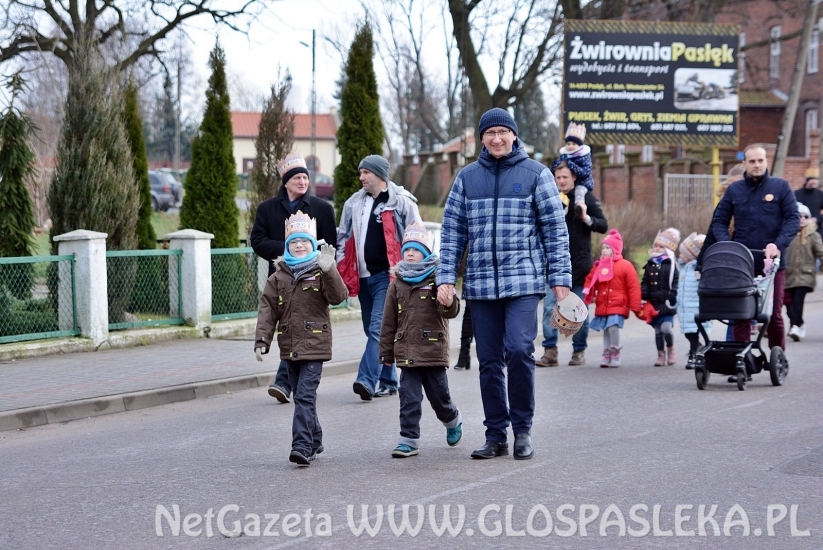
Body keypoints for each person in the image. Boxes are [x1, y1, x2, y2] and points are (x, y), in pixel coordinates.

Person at [436, 107, 572, 461]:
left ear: (514, 135)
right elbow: (452, 232)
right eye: (489, 133)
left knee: (519, 350)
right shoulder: (467, 178)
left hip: (523, 282)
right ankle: (496, 434)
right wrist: (446, 278)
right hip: (481, 285)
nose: (496, 138)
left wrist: (560, 280)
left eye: (502, 132)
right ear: (481, 139)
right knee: (489, 360)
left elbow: (555, 232)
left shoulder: (536, 175)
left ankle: (522, 430)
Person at [253, 212, 348, 466]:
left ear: (312, 242)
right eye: (294, 242)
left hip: (315, 346)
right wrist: (262, 340)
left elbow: (339, 296)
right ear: (286, 246)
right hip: (290, 347)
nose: (299, 245)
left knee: (305, 396)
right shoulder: (278, 277)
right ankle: (315, 438)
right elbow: (267, 310)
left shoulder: (320, 270)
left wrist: (330, 270)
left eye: (304, 241)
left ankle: (302, 446)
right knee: (300, 396)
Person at [250, 153, 338, 404]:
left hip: (313, 282)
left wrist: (320, 263)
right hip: (281, 279)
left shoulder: (322, 209)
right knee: (286, 325)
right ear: (286, 182)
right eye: (297, 178)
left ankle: (284, 381)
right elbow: (257, 241)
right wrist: (289, 249)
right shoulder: (267, 209)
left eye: (305, 177)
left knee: (303, 325)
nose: (302, 182)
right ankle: (287, 379)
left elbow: (331, 246)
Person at [336, 154, 422, 401]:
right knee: (372, 330)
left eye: (366, 173)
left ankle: (366, 380)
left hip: (388, 278)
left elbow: (417, 237)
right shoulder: (353, 203)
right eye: (360, 172)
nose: (361, 177)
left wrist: (407, 270)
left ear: (380, 175)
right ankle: (389, 379)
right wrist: (343, 267)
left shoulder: (402, 202)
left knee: (378, 329)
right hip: (362, 278)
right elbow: (343, 237)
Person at [379, 223, 463, 458]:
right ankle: (408, 440)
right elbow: (388, 321)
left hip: (433, 351)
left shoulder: (439, 278)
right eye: (406, 250)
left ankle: (452, 419)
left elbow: (451, 311)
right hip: (407, 352)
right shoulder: (397, 283)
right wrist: (386, 352)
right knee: (409, 398)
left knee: (440, 397)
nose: (410, 254)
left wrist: (449, 302)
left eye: (415, 250)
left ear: (425, 253)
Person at [711, 144, 800, 354]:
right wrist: (729, 247)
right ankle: (741, 359)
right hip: (742, 264)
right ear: (744, 164)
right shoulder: (734, 190)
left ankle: (778, 356)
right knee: (741, 313)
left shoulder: (781, 187)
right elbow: (719, 222)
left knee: (773, 314)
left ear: (766, 162)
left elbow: (793, 219)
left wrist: (778, 246)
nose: (757, 165)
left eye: (760, 160)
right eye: (752, 161)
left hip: (773, 264)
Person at [536, 161, 608, 367]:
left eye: (565, 177)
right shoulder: (551, 198)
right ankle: (550, 352)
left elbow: (603, 225)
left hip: (579, 266)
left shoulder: (584, 198)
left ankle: (578, 351)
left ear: (574, 177)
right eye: (558, 177)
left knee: (578, 311)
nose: (561, 181)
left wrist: (585, 217)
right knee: (550, 308)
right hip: (554, 266)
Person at [582, 230, 641, 368]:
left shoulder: (625, 266)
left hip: (618, 304)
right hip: (603, 304)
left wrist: (635, 304)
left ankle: (615, 351)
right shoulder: (599, 266)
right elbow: (590, 280)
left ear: (615, 250)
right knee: (606, 329)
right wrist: (588, 293)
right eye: (603, 248)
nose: (604, 251)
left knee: (613, 327)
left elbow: (633, 286)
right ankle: (607, 353)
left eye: (607, 248)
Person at [641, 227, 681, 366]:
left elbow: (676, 280)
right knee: (658, 330)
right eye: (655, 246)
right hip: (654, 303)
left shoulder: (671, 264)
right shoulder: (650, 264)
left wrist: (673, 293)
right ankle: (660, 354)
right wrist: (644, 292)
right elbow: (645, 281)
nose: (656, 248)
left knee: (666, 328)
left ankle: (671, 349)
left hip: (667, 302)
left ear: (668, 249)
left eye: (660, 246)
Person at [785, 203, 823, 341]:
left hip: (805, 274)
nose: (802, 218)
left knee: (798, 300)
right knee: (789, 305)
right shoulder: (787, 234)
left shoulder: (813, 235)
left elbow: (821, 252)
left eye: (805, 216)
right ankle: (798, 324)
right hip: (788, 274)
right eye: (798, 216)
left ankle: (795, 326)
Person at [676, 232, 711, 369]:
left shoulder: (698, 270)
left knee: (694, 333)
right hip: (684, 307)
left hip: (696, 307)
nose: (680, 256)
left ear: (692, 256)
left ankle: (693, 354)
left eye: (683, 254)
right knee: (688, 333)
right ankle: (699, 349)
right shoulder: (684, 269)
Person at [551, 122, 593, 219]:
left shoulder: (584, 157)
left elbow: (585, 172)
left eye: (574, 144)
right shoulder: (564, 156)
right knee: (556, 190)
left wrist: (571, 165)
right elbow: (556, 167)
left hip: (582, 182)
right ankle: (558, 205)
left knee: (579, 193)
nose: (570, 146)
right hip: (569, 183)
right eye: (568, 143)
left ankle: (580, 207)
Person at [794, 167, 823, 242]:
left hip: (815, 229)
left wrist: (817, 219)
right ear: (807, 180)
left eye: (816, 179)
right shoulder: (797, 194)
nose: (815, 182)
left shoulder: (820, 195)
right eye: (812, 179)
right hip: (798, 229)